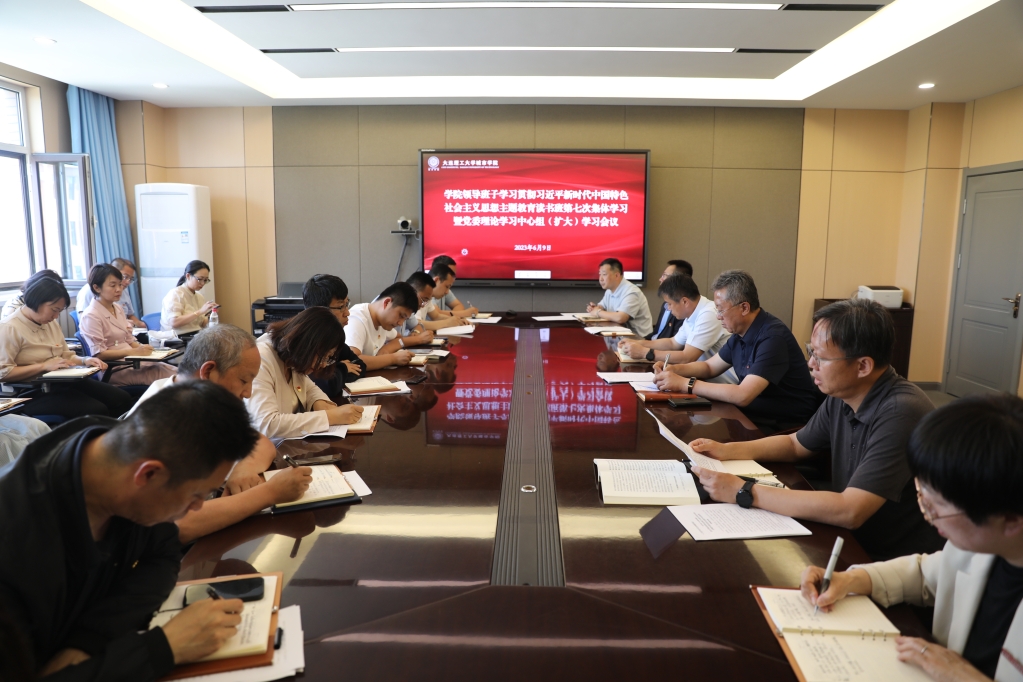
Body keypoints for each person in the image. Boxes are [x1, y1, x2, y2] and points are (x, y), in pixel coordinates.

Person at [0, 381, 258, 681]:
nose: (198, 507)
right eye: (196, 495)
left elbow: (163, 555)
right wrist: (165, 647)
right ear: (148, 474)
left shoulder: (118, 447)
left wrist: (88, 642)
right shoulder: (14, 548)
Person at [690, 298, 941, 560]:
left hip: (895, 559)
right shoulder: (844, 393)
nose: (811, 364)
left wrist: (744, 491)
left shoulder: (901, 412)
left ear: (863, 366)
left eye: (820, 357)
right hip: (851, 538)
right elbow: (795, 444)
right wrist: (727, 450)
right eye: (811, 352)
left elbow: (851, 510)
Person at [799, 394, 1023, 682]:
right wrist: (851, 579)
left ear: (1011, 520)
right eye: (921, 495)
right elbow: (925, 574)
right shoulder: (982, 546)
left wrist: (965, 676)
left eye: (936, 507)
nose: (926, 514)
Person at [127, 324, 312, 543]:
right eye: (244, 380)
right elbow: (176, 525)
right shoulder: (158, 423)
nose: (248, 393)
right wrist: (270, 493)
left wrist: (245, 468)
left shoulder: (201, 401)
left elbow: (260, 442)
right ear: (208, 372)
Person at [653, 270, 822, 432]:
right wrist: (674, 370)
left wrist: (685, 384)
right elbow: (709, 367)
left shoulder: (773, 338)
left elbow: (743, 395)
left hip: (782, 426)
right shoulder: (740, 333)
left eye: (721, 310)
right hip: (752, 417)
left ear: (744, 308)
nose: (718, 316)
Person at [0, 277, 135, 419]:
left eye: (59, 311)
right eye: (54, 310)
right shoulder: (10, 328)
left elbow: (66, 355)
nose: (56, 316)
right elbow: (3, 373)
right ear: (36, 301)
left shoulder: (50, 323)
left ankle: (114, 432)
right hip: (33, 392)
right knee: (96, 410)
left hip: (63, 383)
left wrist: (85, 360)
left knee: (121, 398)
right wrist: (43, 366)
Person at [248, 307, 364, 439]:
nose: (324, 364)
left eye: (328, 358)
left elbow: (309, 389)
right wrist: (330, 417)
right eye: (324, 356)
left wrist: (319, 402)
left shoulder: (292, 356)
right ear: (307, 345)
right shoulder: (261, 359)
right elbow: (266, 424)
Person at [618, 273, 737, 384]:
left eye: (669, 304)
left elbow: (687, 357)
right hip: (706, 381)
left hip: (726, 384)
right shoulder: (693, 313)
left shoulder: (709, 314)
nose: (668, 308)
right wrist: (639, 343)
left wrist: (645, 353)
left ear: (685, 301)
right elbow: (673, 343)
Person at [79, 264, 177, 386]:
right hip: (115, 369)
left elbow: (129, 339)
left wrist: (147, 350)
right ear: (96, 287)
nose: (119, 289)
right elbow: (100, 354)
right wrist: (135, 352)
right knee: (172, 378)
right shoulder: (91, 315)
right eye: (113, 285)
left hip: (133, 361)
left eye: (120, 284)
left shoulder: (117, 308)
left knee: (178, 372)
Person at [301, 274, 367, 397]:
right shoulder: (305, 340)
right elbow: (326, 386)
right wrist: (343, 367)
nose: (347, 313)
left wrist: (334, 372)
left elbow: (360, 366)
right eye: (341, 307)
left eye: (347, 304)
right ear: (319, 310)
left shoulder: (334, 338)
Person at [344, 282, 418, 371]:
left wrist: (385, 350)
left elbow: (398, 338)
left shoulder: (383, 322)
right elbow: (353, 361)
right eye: (401, 316)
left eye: (405, 319)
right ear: (387, 303)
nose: (401, 323)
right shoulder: (357, 319)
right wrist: (393, 358)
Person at [586, 258, 653, 338]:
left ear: (617, 275)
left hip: (639, 339)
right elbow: (601, 307)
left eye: (604, 274)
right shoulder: (609, 291)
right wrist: (595, 308)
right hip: (619, 335)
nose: (600, 279)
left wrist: (597, 312)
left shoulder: (631, 292)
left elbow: (621, 318)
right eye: (600, 274)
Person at [76, 257, 145, 328]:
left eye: (130, 279)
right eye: (125, 277)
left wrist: (141, 324)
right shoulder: (88, 291)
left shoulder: (120, 296)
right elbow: (85, 322)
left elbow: (129, 315)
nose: (128, 282)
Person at [161, 259, 218, 334]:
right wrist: (200, 312)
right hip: (177, 336)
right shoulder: (175, 294)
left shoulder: (199, 297)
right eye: (200, 279)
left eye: (205, 280)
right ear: (188, 276)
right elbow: (174, 323)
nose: (202, 283)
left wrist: (211, 314)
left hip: (196, 334)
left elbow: (202, 325)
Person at [648, 260, 692, 340]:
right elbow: (657, 333)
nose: (660, 279)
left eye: (664, 275)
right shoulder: (665, 304)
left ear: (677, 279)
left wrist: (644, 346)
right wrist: (639, 341)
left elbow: (675, 343)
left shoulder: (683, 308)